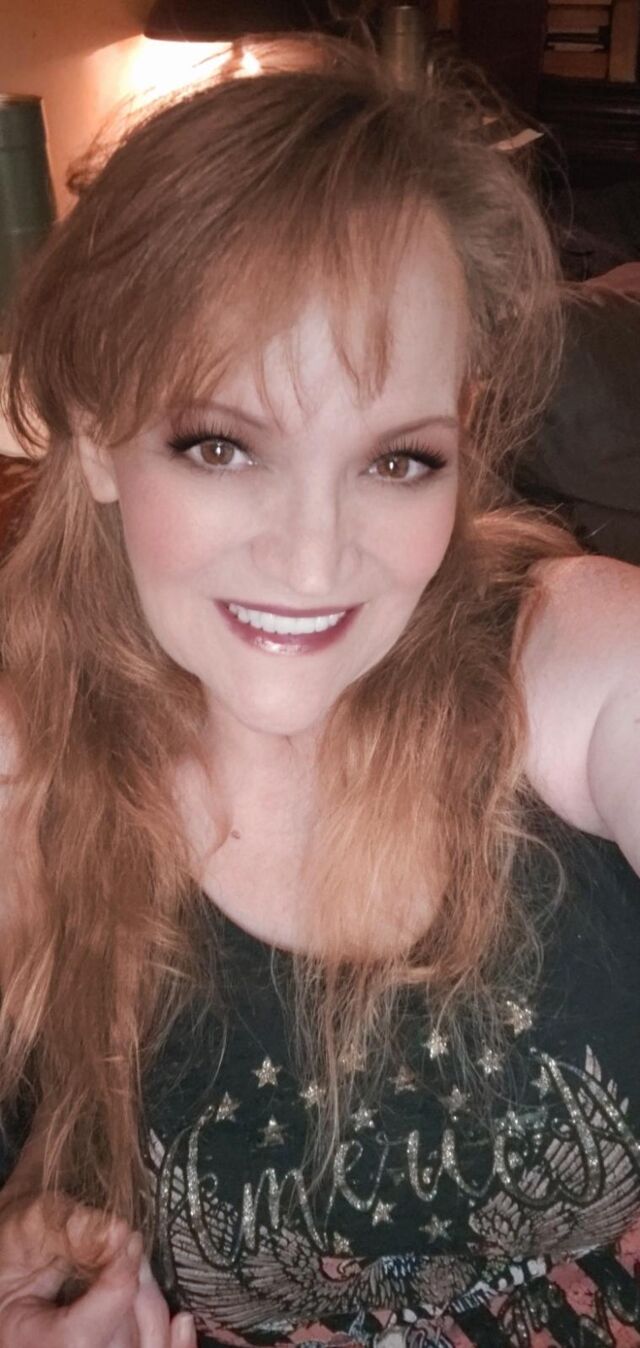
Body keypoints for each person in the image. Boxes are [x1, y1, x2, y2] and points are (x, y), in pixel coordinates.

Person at [0, 35, 639, 1348]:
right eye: (221, 445)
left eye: (396, 461)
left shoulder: (569, 664)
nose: (312, 560)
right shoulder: (25, 780)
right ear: (101, 436)